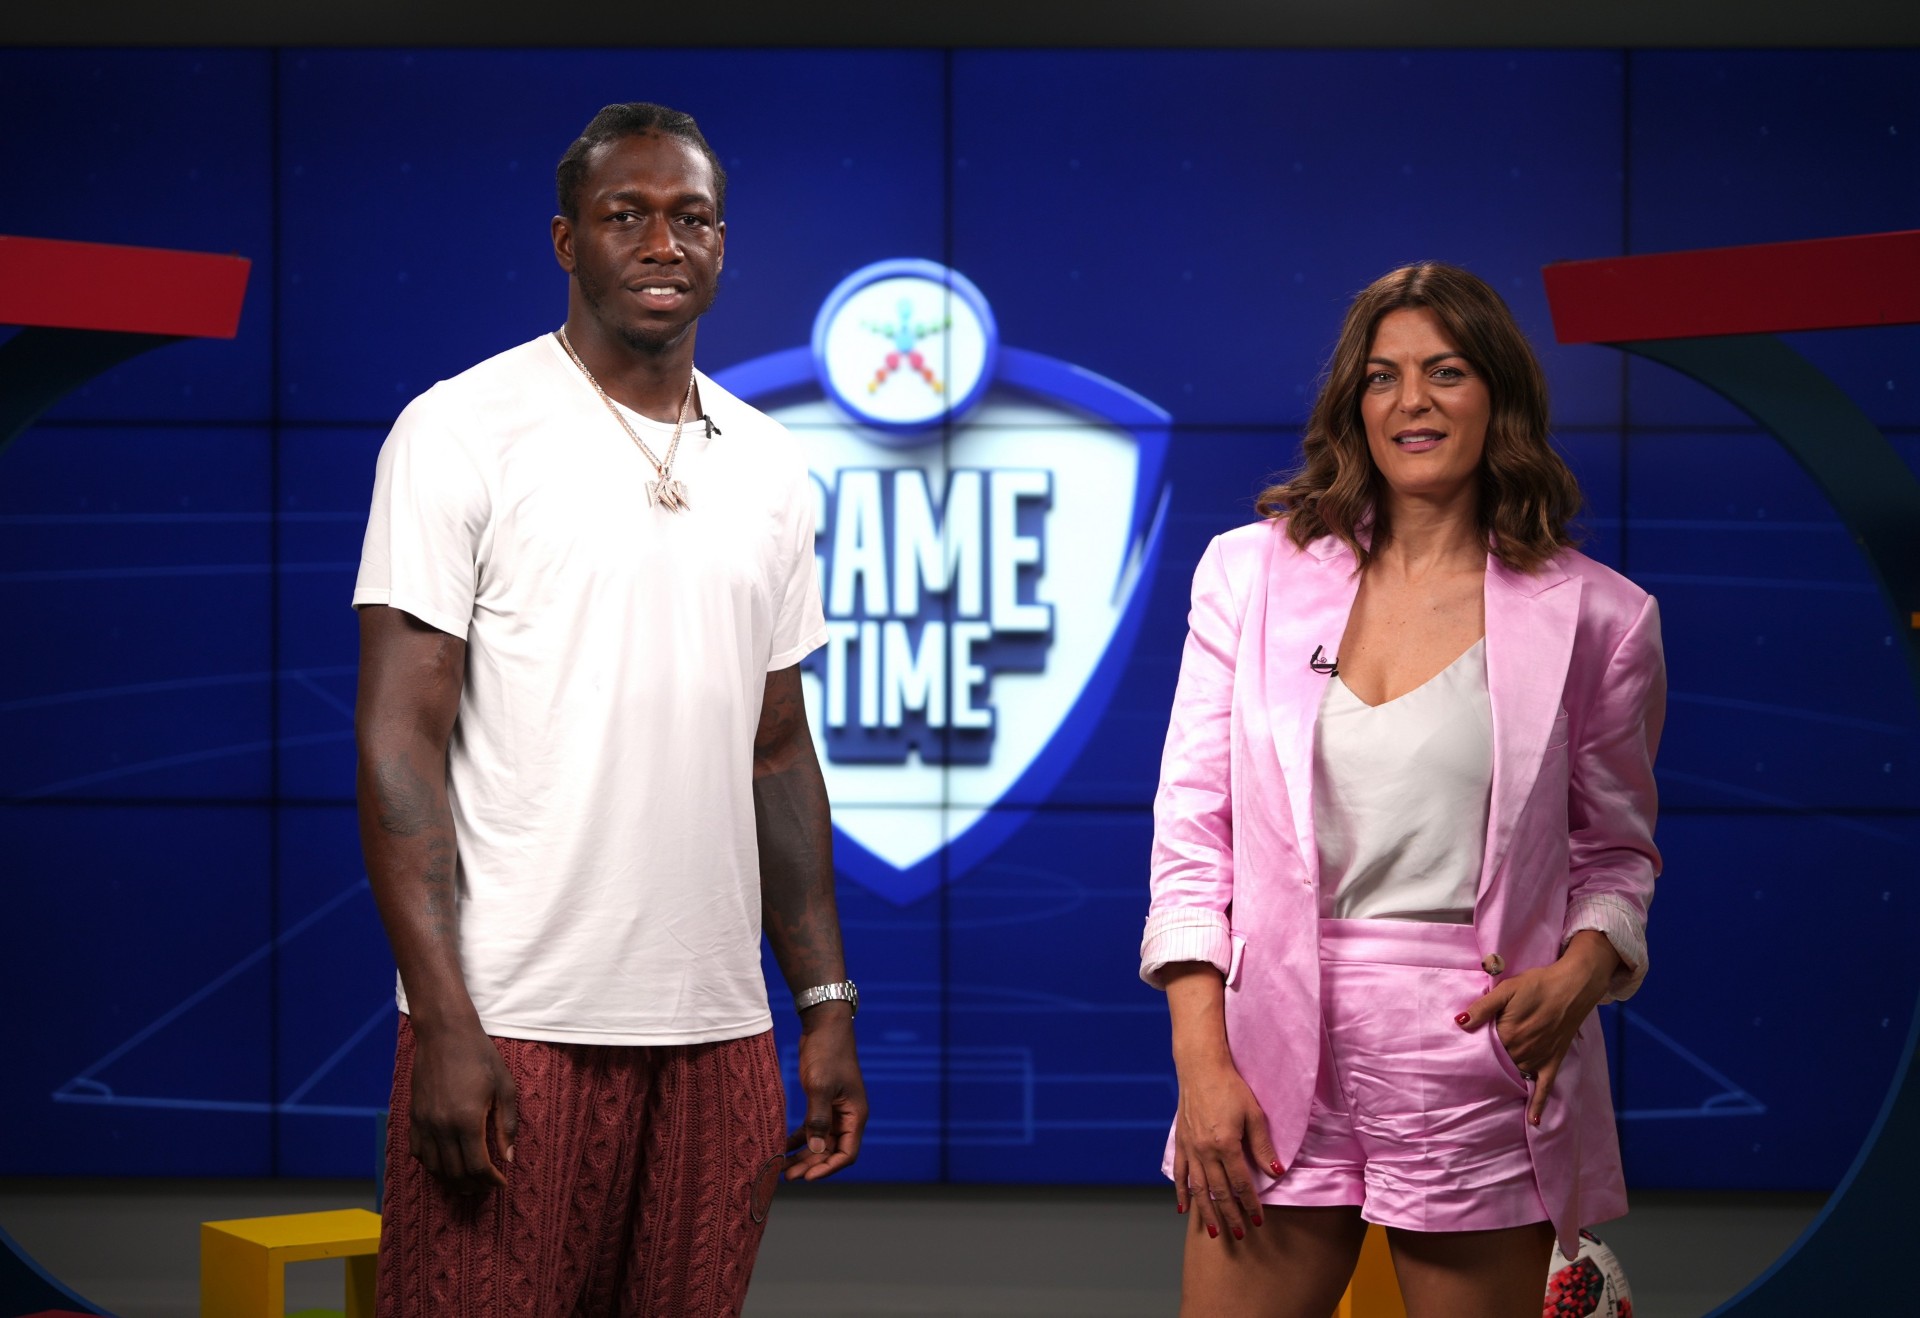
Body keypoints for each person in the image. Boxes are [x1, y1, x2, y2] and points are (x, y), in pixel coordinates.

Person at [352, 102, 867, 1318]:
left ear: (723, 244)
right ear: (565, 240)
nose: (662, 242)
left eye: (692, 217)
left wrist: (824, 1004)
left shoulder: (771, 465)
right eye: (625, 214)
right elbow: (398, 740)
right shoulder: (460, 429)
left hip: (720, 1033)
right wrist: (445, 1020)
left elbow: (777, 752)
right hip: (515, 1022)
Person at [1140, 262, 1664, 1318]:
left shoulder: (1602, 618)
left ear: (1499, 394)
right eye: (1383, 376)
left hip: (1476, 1051)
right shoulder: (1247, 573)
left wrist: (1580, 975)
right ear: (1355, 402)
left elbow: (1615, 856)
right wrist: (1202, 1063)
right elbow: (1193, 837)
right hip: (1268, 1045)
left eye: (1446, 371)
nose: (1411, 401)